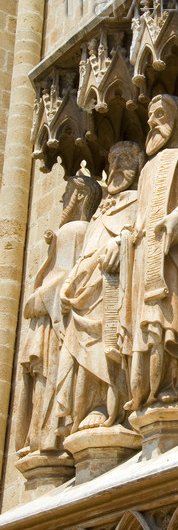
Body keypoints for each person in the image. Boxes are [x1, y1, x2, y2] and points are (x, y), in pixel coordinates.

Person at [56, 141, 144, 433]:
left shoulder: (138, 198)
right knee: (79, 352)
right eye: (113, 159)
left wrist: (121, 242)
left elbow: (143, 230)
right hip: (83, 288)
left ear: (140, 164)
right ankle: (84, 408)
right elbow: (85, 251)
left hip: (110, 283)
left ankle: (107, 408)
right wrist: (70, 281)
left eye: (127, 159)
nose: (118, 166)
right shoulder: (100, 210)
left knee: (106, 345)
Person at [16, 175, 102, 455]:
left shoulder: (74, 230)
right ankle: (45, 439)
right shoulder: (81, 229)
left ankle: (45, 442)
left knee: (48, 383)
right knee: (47, 381)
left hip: (54, 318)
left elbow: (63, 274)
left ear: (79, 197)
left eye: (67, 194)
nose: (62, 200)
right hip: (54, 318)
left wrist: (35, 300)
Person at [125, 94, 178, 410]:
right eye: (150, 117)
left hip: (176, 251)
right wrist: (128, 237)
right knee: (149, 324)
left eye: (160, 113)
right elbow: (140, 216)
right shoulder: (145, 170)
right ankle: (149, 393)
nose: (153, 122)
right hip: (146, 256)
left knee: (176, 312)